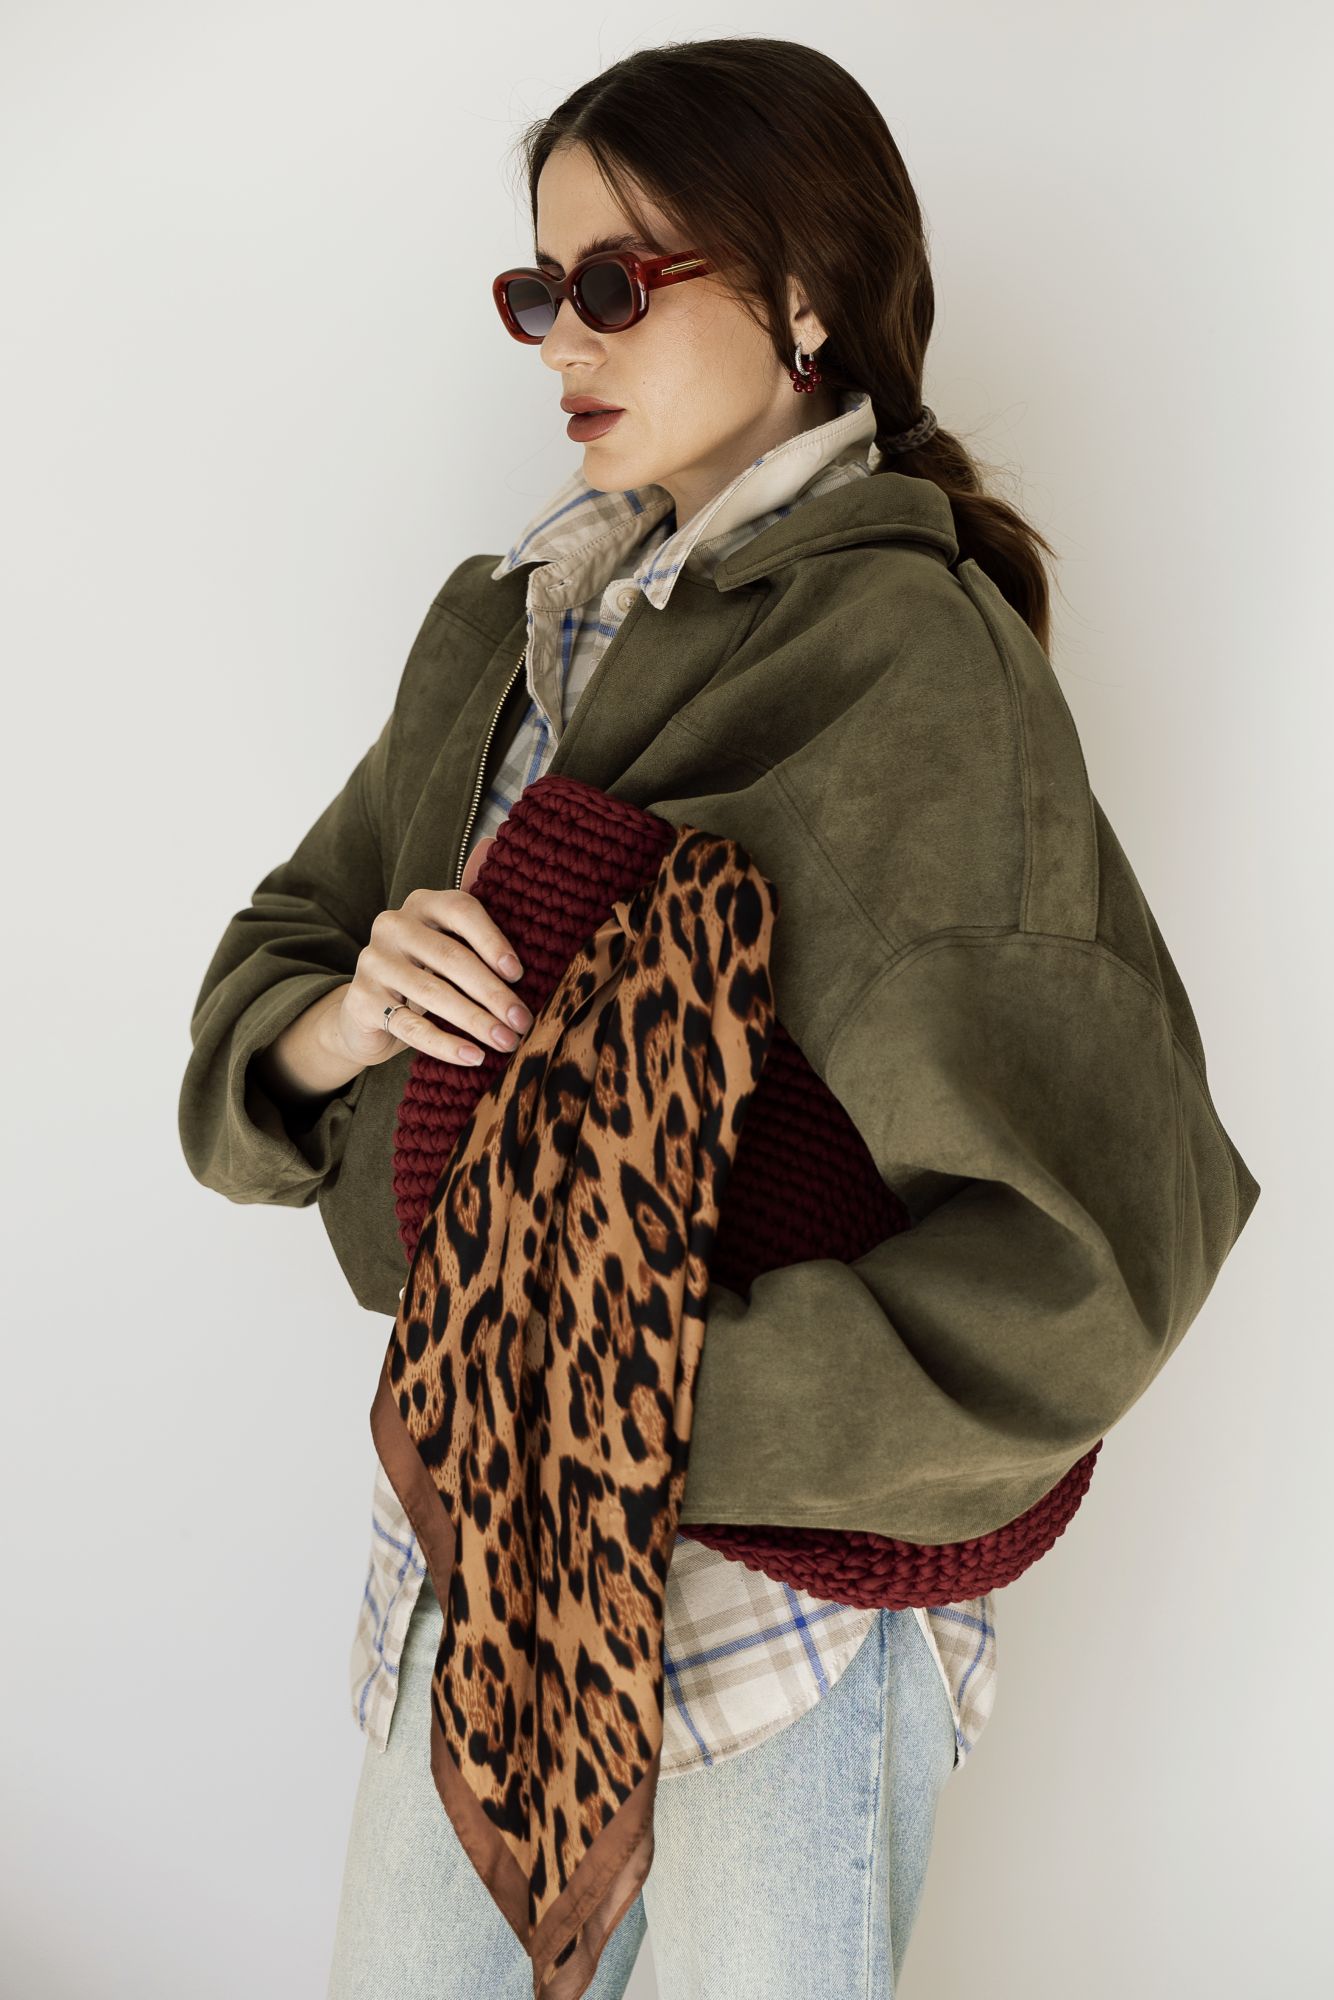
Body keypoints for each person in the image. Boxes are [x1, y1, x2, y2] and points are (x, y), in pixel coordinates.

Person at [178, 36, 1259, 2000]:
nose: (564, 339)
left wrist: (644, 1404)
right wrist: (342, 1021)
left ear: (804, 297)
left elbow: (1098, 1251)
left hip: (770, 1620)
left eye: (615, 280)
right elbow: (281, 959)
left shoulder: (909, 666)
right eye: (538, 289)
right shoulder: (502, 632)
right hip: (476, 1567)